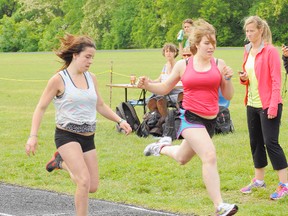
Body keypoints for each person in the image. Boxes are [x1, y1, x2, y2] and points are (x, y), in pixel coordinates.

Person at [138, 19, 238, 216]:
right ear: (197, 44)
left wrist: (227, 79)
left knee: (182, 158)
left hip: (210, 121)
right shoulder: (183, 65)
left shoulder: (219, 64)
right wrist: (148, 85)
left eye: (214, 43)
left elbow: (228, 95)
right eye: (207, 43)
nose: (211, 47)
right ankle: (219, 206)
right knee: (209, 156)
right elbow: (165, 88)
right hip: (190, 118)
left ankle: (161, 147)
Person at [25, 33, 132, 216]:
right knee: (83, 181)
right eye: (87, 57)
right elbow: (41, 107)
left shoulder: (92, 78)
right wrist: (33, 136)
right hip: (67, 135)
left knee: (92, 186)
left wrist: (120, 120)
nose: (90, 61)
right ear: (75, 55)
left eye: (92, 58)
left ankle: (60, 162)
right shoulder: (59, 79)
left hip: (88, 137)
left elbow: (100, 105)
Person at [239, 16, 288, 200]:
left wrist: (273, 105)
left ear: (260, 30)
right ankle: (259, 180)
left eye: (252, 30)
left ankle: (285, 185)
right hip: (252, 104)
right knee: (256, 143)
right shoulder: (247, 50)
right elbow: (250, 78)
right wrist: (244, 78)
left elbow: (276, 80)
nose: (249, 34)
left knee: (271, 143)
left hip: (269, 104)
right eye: (247, 31)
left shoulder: (270, 52)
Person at [147, 43, 183, 118]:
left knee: (160, 100)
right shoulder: (165, 66)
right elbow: (159, 79)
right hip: (165, 93)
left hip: (176, 94)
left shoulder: (178, 66)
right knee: (153, 101)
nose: (168, 53)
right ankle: (157, 120)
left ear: (175, 53)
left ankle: (167, 120)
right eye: (166, 51)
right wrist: (149, 81)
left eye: (171, 51)